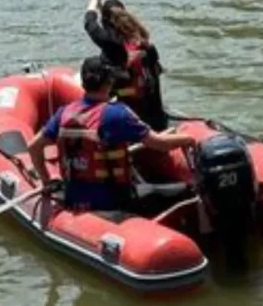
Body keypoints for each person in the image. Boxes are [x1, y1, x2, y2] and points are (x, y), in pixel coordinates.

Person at [26, 56, 195, 215]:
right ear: (108, 83)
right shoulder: (117, 114)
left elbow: (34, 147)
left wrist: (46, 181)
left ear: (84, 83)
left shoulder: (64, 114)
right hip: (114, 200)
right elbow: (159, 143)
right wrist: (188, 138)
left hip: (74, 198)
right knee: (187, 190)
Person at [82, 0, 169, 131]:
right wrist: (101, 4)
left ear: (106, 23)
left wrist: (93, 0)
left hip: (129, 123)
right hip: (156, 120)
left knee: (94, 67)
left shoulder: (112, 46)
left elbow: (90, 24)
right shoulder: (146, 45)